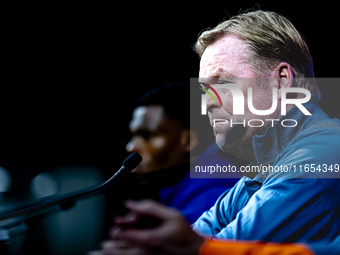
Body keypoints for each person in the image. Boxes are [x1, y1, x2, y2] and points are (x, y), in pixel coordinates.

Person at [91, 10, 340, 255]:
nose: (207, 103)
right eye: (204, 91)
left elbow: (203, 249)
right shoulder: (261, 171)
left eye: (222, 83)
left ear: (282, 80)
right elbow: (194, 238)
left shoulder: (324, 153)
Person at [104, 81, 241, 226]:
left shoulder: (212, 199)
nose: (130, 147)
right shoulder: (188, 190)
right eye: (133, 136)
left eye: (146, 136)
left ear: (189, 141)